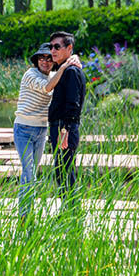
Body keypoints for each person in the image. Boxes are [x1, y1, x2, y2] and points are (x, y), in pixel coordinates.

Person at [14, 43, 81, 220]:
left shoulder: (54, 75)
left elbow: (62, 84)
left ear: (53, 62)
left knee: (33, 172)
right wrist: (66, 65)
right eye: (41, 58)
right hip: (24, 129)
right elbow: (47, 87)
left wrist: (73, 61)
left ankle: (29, 212)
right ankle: (24, 215)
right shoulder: (30, 74)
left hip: (42, 130)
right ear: (36, 60)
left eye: (49, 58)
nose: (45, 61)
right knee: (29, 174)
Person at [47, 31, 87, 200]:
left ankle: (70, 212)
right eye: (51, 47)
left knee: (64, 172)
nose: (52, 51)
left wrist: (65, 130)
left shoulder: (71, 71)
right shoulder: (65, 69)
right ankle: (68, 212)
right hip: (60, 126)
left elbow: (73, 104)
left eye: (57, 46)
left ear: (69, 48)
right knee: (62, 171)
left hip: (65, 127)